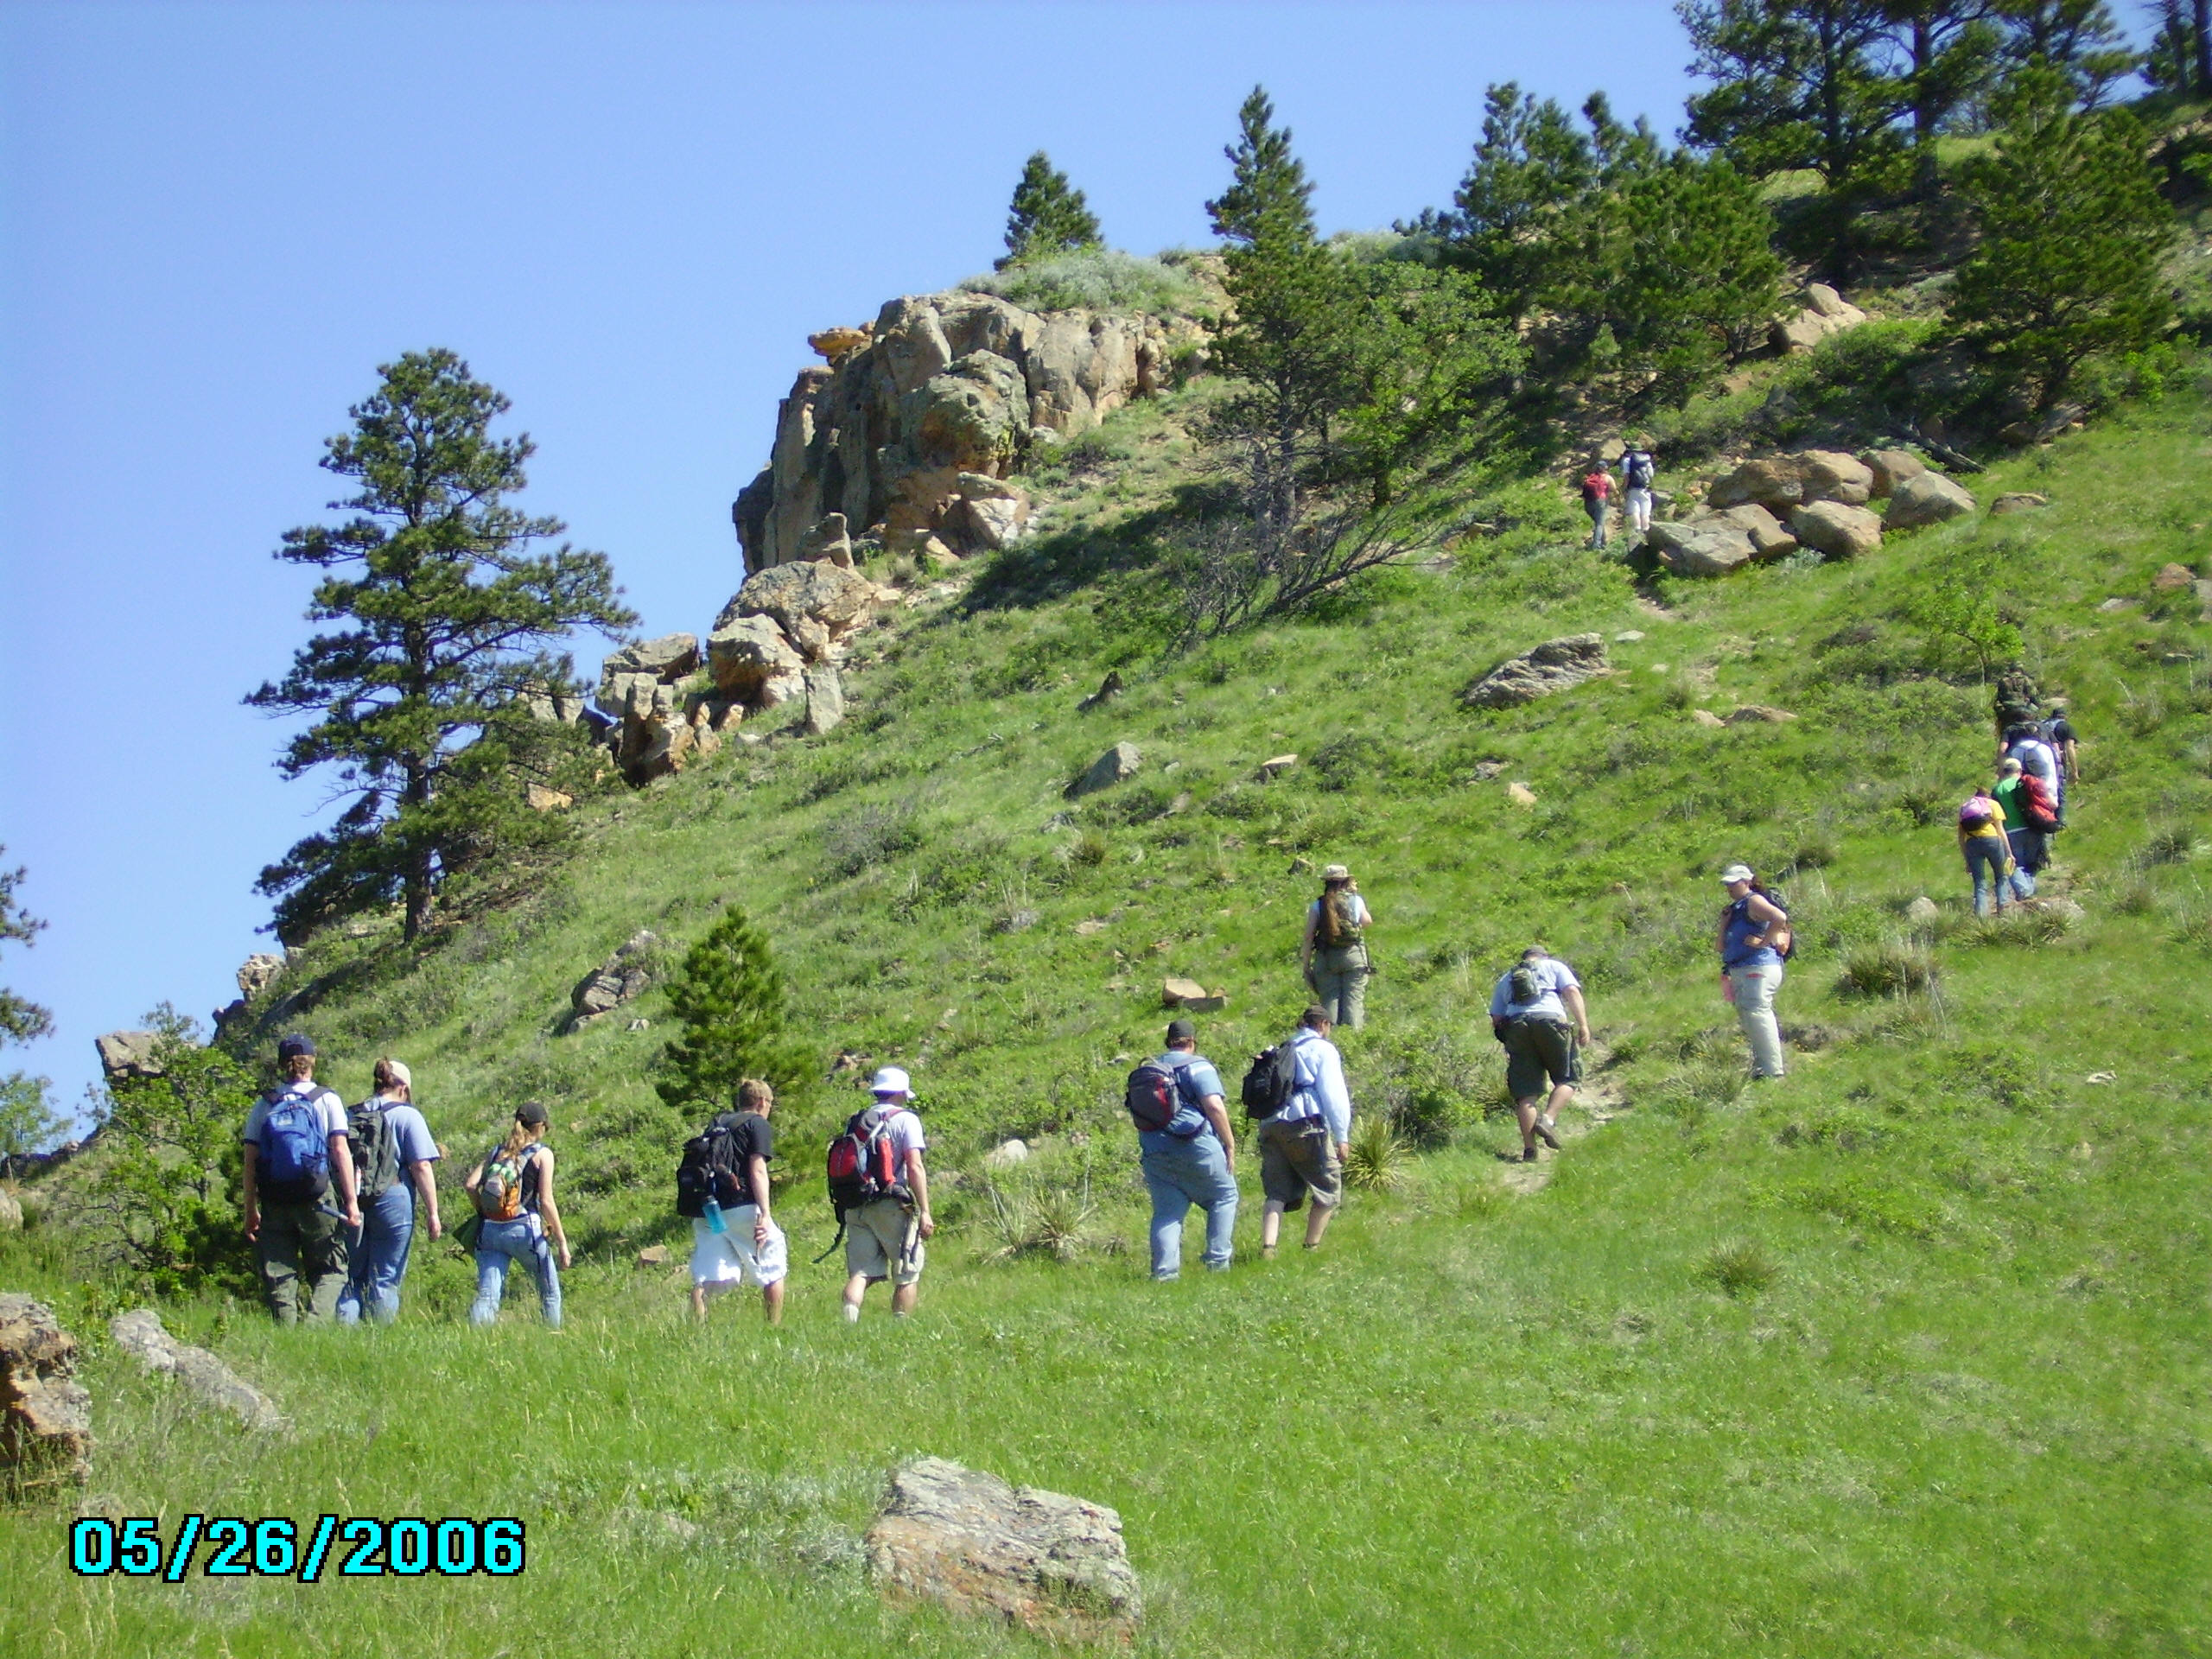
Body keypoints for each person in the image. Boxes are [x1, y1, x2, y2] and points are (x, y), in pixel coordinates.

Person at [240, 1033, 360, 1325]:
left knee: (280, 1272)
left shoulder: (266, 1103)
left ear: (283, 1064)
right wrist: (352, 1202)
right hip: (316, 1195)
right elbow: (340, 1150)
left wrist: (250, 1209)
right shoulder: (326, 1099)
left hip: (274, 1198)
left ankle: (287, 1329)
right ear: (312, 1062)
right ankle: (314, 1328)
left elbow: (249, 1161)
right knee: (332, 1269)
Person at [336, 1058, 441, 1326]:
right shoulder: (408, 1115)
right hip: (393, 1197)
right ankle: (379, 1338)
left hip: (354, 1199)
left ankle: (344, 1334)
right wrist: (433, 1213)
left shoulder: (354, 1113)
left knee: (352, 1276)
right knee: (385, 1276)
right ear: (403, 1089)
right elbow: (421, 1166)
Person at [1134, 1018, 1239, 1281]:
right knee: (1224, 1196)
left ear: (1168, 1043)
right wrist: (1229, 1143)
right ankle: (1218, 1265)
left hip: (1155, 1151)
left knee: (1167, 1213)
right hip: (1196, 1145)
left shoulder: (1151, 1070)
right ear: (1191, 1042)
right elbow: (1214, 1106)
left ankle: (1165, 1275)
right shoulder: (1198, 1066)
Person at [464, 1101, 569, 1331]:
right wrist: (562, 1242)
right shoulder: (542, 1154)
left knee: (488, 1295)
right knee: (549, 1292)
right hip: (525, 1230)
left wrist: (482, 1211)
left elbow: (471, 1185)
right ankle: (553, 1339)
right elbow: (547, 1202)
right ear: (540, 1126)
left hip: (490, 1231)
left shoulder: (496, 1151)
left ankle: (475, 1341)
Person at [689, 1079, 786, 1325]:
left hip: (708, 1209)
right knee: (773, 1262)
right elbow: (758, 1170)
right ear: (762, 1101)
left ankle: (697, 1329)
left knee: (708, 1275)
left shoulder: (717, 1124)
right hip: (741, 1206)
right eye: (770, 1104)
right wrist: (765, 1213)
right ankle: (772, 1327)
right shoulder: (757, 1123)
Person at [1258, 1007, 1353, 1256]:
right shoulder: (1323, 1049)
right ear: (1322, 1024)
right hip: (1306, 1124)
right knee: (1328, 1185)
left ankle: (1268, 1248)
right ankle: (1311, 1248)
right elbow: (1334, 1095)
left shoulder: (1283, 1047)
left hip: (1271, 1124)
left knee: (1276, 1190)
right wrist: (1342, 1136)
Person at [842, 1067, 932, 1322]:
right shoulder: (906, 1119)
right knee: (907, 1272)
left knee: (860, 1272)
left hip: (856, 1203)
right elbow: (914, 1166)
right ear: (901, 1092)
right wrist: (925, 1210)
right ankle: (900, 1329)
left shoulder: (859, 1119)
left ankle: (848, 1325)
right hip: (891, 1204)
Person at [1488, 947, 1592, 1163]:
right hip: (1550, 1022)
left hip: (1517, 1027)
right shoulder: (1554, 966)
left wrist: (1511, 1040)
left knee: (1526, 1093)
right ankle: (1548, 1120)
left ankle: (1529, 1151)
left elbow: (1497, 1018)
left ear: (1523, 959)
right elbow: (1572, 992)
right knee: (1568, 1077)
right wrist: (1583, 1025)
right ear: (1543, 957)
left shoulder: (1507, 977)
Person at [1716, 865, 1789, 1080]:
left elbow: (1779, 918)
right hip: (1740, 968)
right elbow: (1720, 947)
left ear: (1746, 882)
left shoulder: (1753, 901)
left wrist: (1764, 942)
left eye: (1734, 883)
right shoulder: (1734, 908)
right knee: (1749, 1015)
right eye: (1727, 884)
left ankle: (1772, 1071)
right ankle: (1762, 1068)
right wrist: (1724, 923)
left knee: (1757, 1012)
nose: (1729, 887)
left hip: (1758, 966)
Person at [1300, 865, 1374, 1031]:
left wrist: (1306, 965)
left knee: (1329, 1001)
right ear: (1346, 881)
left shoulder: (1318, 905)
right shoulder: (1356, 900)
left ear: (1325, 883)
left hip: (1326, 958)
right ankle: (1354, 1039)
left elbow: (1308, 936)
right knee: (1353, 1001)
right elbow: (1367, 921)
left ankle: (1330, 1037)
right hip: (1353, 955)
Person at [1992, 756, 2059, 897]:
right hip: (2033, 828)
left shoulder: (1998, 789)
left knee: (2015, 864)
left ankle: (2025, 893)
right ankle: (2029, 893)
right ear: (2020, 770)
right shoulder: (2029, 783)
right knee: (2031, 865)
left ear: (2004, 772)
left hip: (2011, 831)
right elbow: (2054, 804)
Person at [1956, 787, 2017, 918]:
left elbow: (1961, 838)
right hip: (1992, 840)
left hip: (1972, 843)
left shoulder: (1964, 808)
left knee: (1979, 882)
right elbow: (2001, 831)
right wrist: (2009, 852)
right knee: (2001, 876)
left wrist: (1967, 859)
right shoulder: (1992, 804)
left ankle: (1981, 917)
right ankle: (2003, 910)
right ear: (1987, 796)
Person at [1618, 439, 1657, 537]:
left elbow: (1626, 476)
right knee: (1645, 513)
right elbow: (1651, 475)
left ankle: (1637, 531)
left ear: (1630, 450)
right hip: (1645, 489)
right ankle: (1646, 532)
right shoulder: (1647, 459)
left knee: (1635, 511)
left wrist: (1623, 489)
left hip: (1633, 489)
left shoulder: (1627, 460)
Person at [1580, 462, 1613, 550]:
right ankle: (1596, 546)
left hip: (1588, 503)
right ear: (1605, 468)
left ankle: (1603, 541)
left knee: (1599, 522)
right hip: (1600, 502)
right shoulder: (1607, 478)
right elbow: (1614, 488)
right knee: (1600, 523)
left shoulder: (1591, 477)